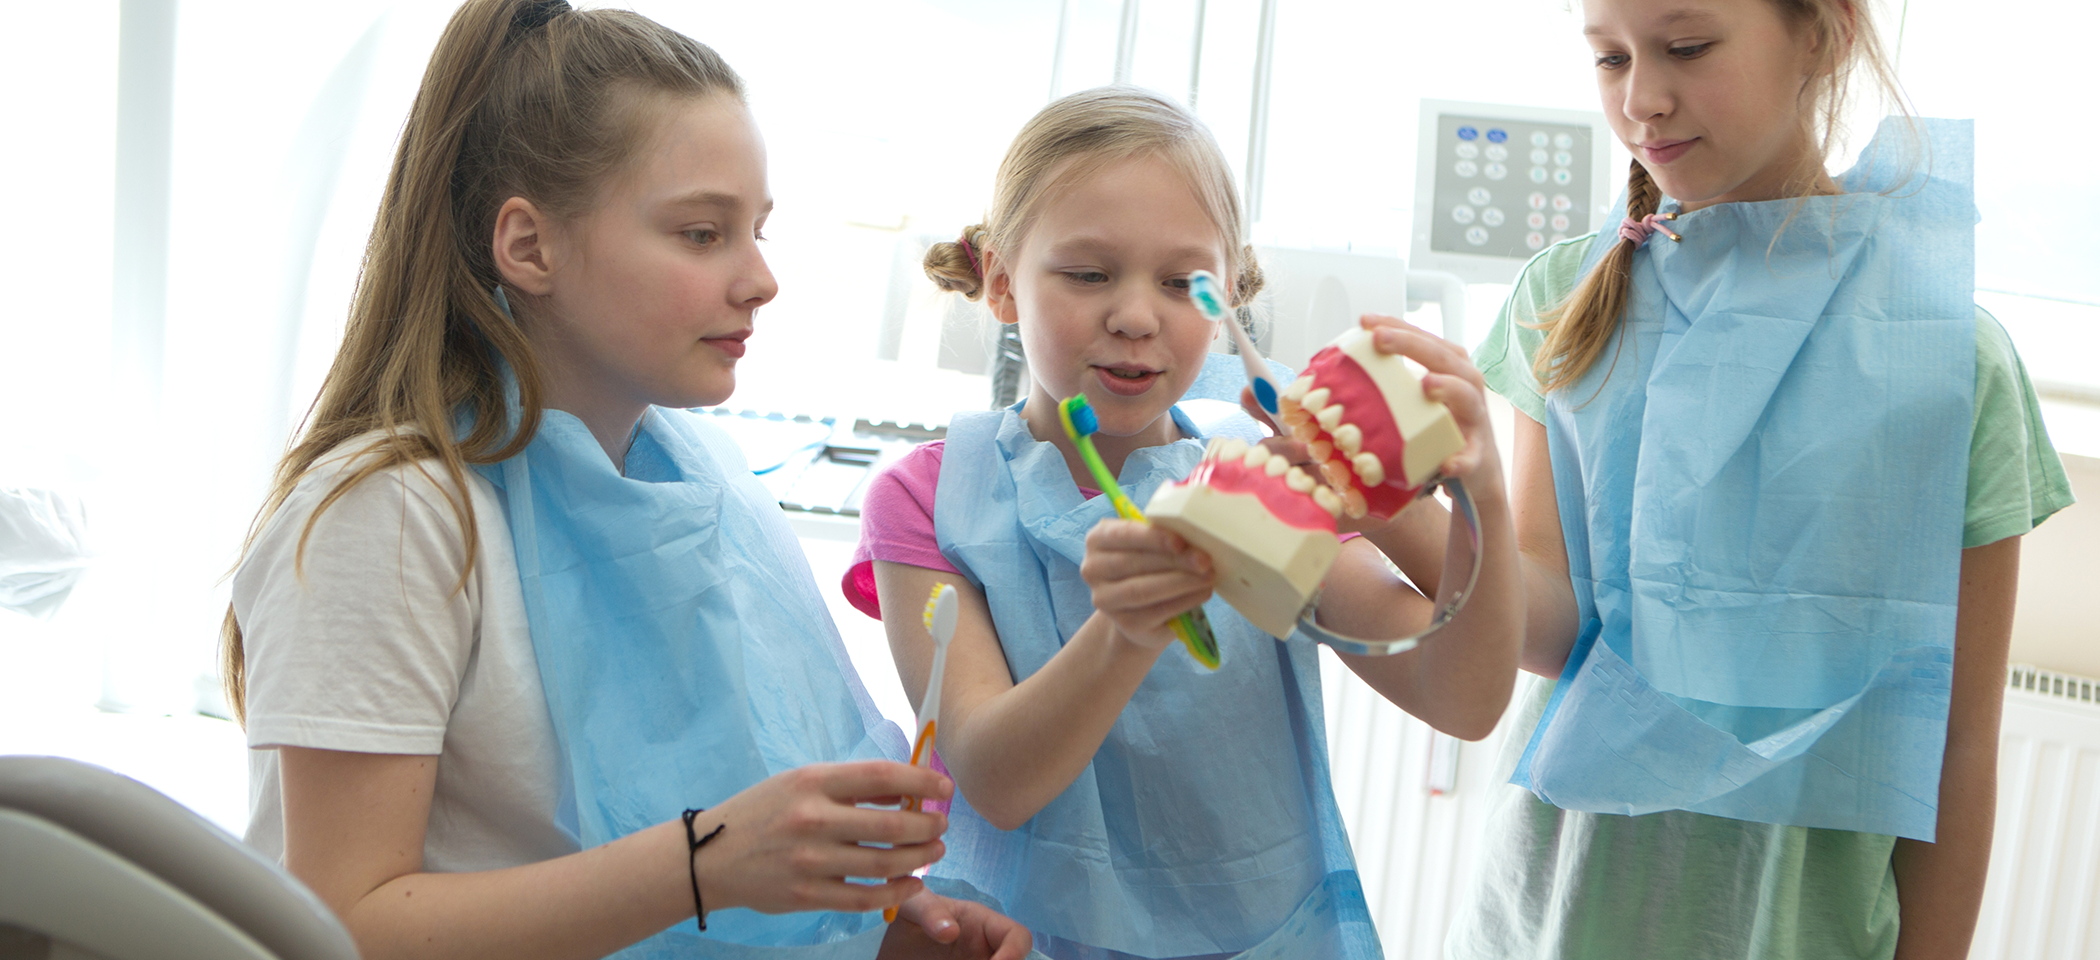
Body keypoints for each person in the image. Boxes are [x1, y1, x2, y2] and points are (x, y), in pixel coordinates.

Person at [223, 2, 1030, 957]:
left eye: (758, 231)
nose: (761, 279)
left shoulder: (700, 482)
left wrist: (880, 935)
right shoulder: (392, 517)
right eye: (701, 234)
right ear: (529, 248)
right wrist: (706, 864)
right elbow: (338, 925)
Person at [1441, 1, 2075, 957]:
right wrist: (1417, 510)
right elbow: (1547, 628)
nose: (1642, 100)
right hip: (1560, 913)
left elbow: (1957, 747)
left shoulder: (1949, 362)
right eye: (1610, 59)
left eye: (1687, 48)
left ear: (1820, 34)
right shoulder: (1566, 302)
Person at [843, 87, 1523, 959]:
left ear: (1230, 292)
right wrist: (1125, 631)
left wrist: (1478, 501)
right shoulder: (929, 500)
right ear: (1001, 282)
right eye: (1089, 274)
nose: (1136, 315)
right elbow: (995, 779)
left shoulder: (1256, 476)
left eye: (1182, 282)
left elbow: (1461, 697)